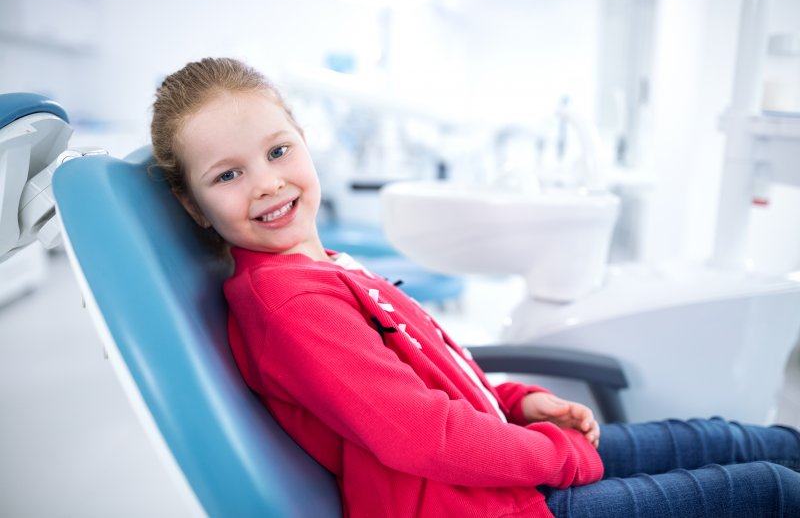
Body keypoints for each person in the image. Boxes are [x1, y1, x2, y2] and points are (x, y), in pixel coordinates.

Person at [150, 57, 800, 517]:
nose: (267, 182)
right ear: (192, 203)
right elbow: (418, 433)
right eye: (228, 174)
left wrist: (518, 402)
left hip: (496, 475)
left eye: (278, 151)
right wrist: (556, 455)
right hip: (484, 506)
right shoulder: (289, 305)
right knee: (769, 489)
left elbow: (435, 373)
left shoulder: (324, 266)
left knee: (731, 439)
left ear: (303, 142)